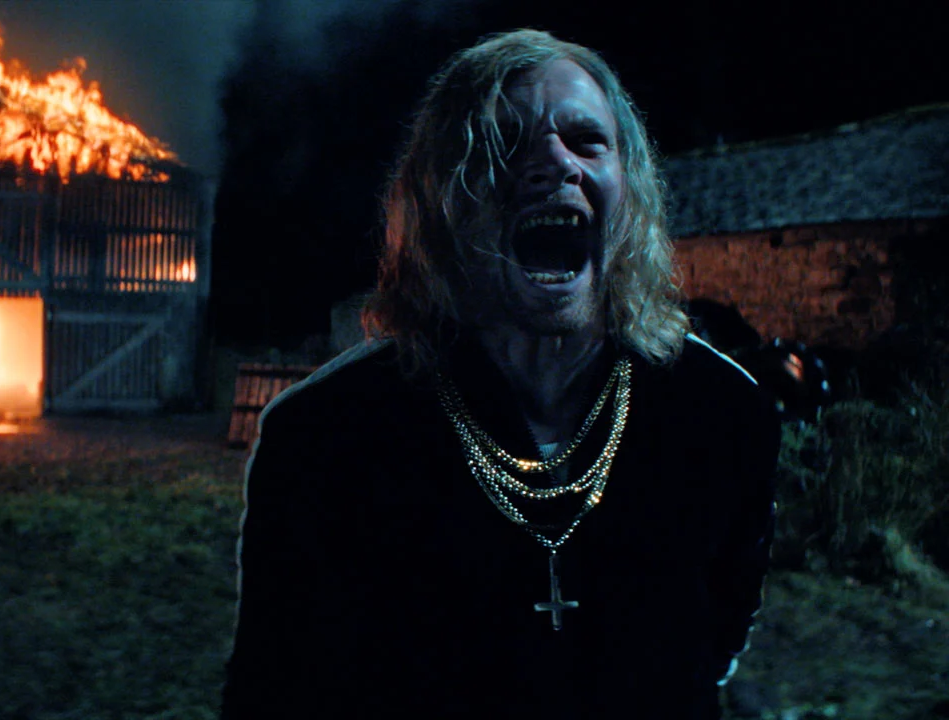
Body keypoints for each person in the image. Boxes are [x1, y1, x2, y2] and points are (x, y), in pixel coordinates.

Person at [221, 29, 780, 719]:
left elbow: (715, 640)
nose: (554, 162)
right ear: (442, 205)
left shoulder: (726, 417)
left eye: (587, 141)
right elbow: (272, 694)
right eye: (504, 143)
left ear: (630, 191)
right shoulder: (322, 442)